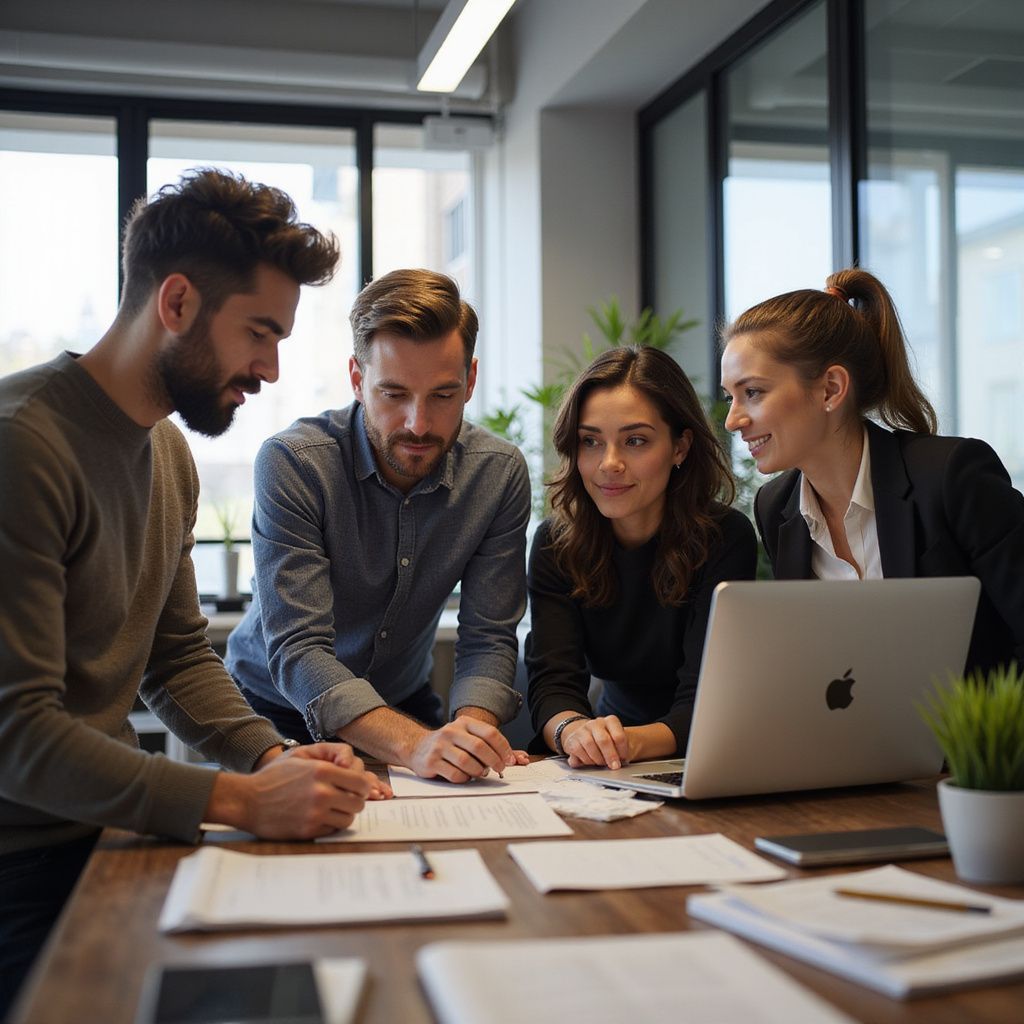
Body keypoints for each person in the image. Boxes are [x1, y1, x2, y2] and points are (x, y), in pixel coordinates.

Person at [0, 169, 380, 1016]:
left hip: (104, 840)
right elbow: (14, 732)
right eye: (259, 332)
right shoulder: (22, 447)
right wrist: (239, 798)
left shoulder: (166, 455)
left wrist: (273, 759)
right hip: (16, 868)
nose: (272, 369)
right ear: (175, 303)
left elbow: (174, 658)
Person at [226, 269, 532, 783]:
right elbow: (300, 649)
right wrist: (416, 745)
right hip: (272, 709)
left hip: (403, 703)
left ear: (471, 381)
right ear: (356, 379)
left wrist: (470, 735)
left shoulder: (497, 474)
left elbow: (488, 638)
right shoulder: (295, 463)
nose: (418, 423)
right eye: (393, 394)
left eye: (442, 395)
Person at [721, 267, 1024, 676]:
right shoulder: (776, 508)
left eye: (752, 393)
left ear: (831, 388)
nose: (733, 420)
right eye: (730, 398)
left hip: (973, 736)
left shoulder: (952, 476)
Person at [526, 346, 757, 769]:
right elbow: (553, 683)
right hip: (613, 750)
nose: (609, 464)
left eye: (635, 441)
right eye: (590, 441)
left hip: (708, 749)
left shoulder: (726, 538)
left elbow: (707, 700)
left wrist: (615, 743)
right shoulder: (554, 544)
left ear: (680, 447)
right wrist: (574, 731)